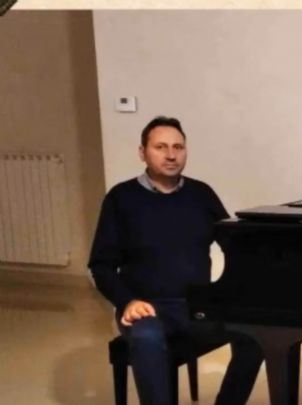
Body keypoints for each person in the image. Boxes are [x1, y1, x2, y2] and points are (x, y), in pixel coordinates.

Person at [88, 116, 264, 405]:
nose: (171, 155)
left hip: (196, 306)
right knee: (147, 337)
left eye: (178, 147)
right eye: (160, 147)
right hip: (146, 307)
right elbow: (100, 265)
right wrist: (127, 301)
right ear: (142, 152)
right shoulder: (121, 198)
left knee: (257, 333)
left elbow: (234, 246)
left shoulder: (201, 193)